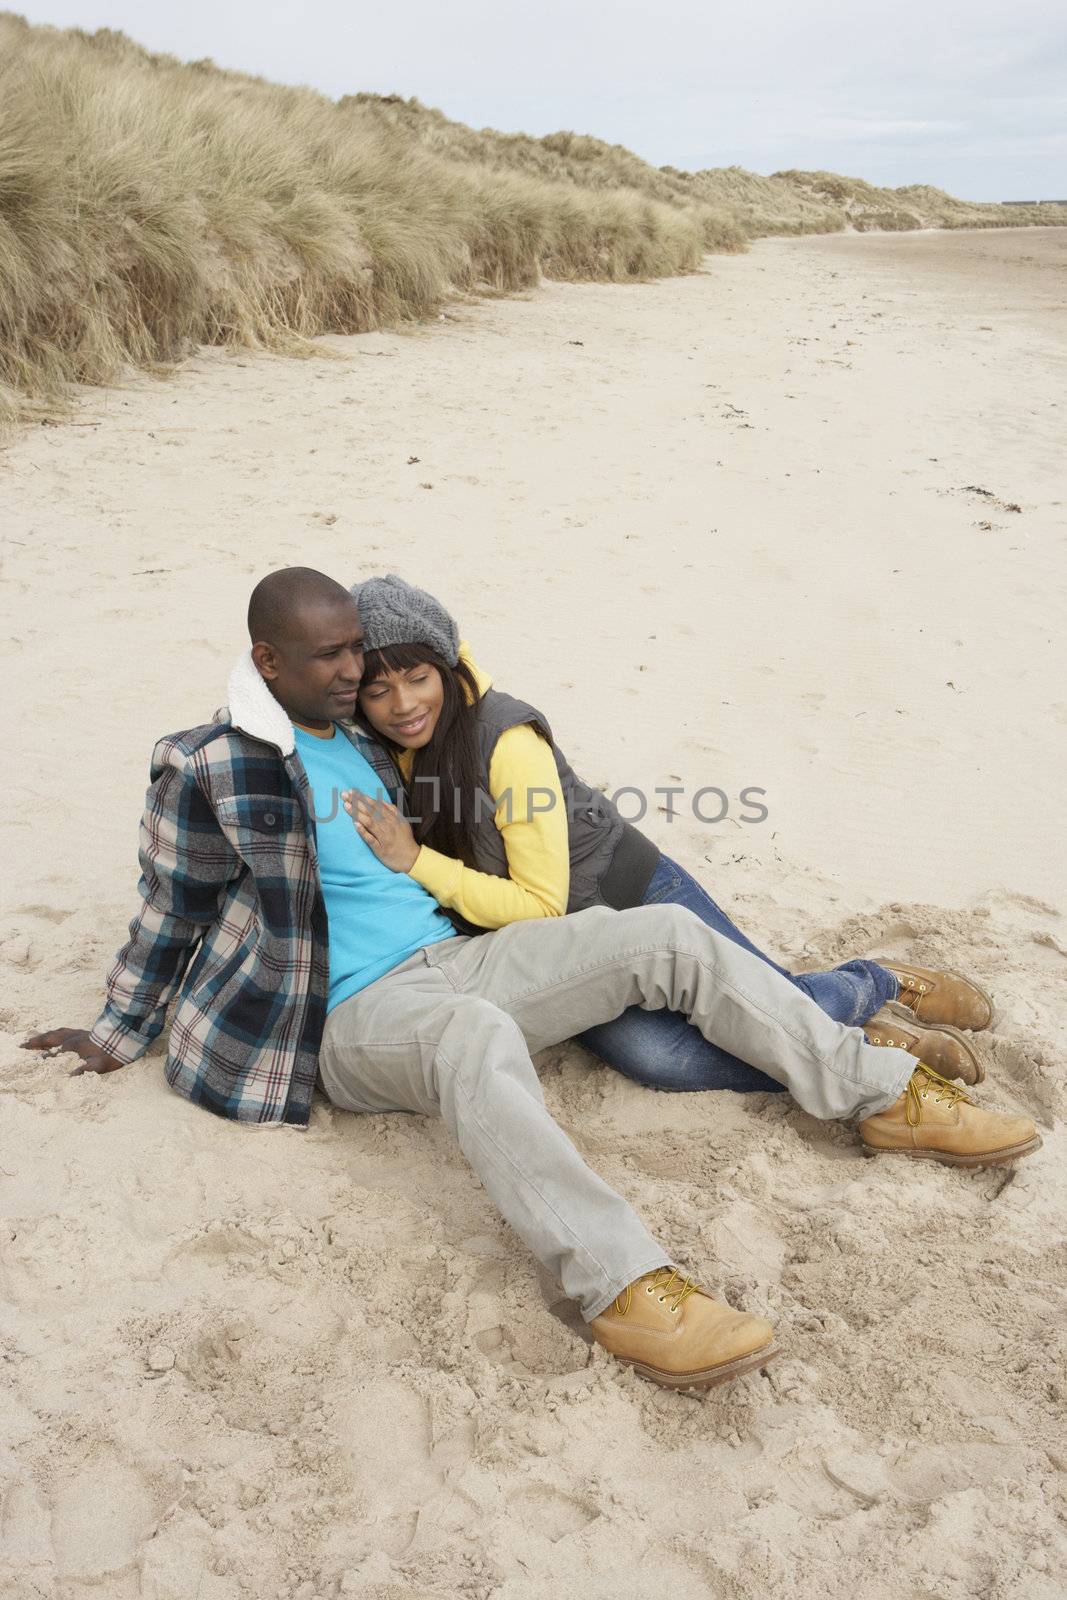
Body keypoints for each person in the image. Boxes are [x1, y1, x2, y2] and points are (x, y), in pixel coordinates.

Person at [23, 568, 1040, 1397]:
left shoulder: (369, 733)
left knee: (664, 935)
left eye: (360, 656)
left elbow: (461, 703)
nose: (357, 672)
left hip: (456, 954)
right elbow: (172, 905)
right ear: (267, 660)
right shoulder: (212, 764)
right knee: (473, 1038)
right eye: (335, 657)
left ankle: (880, 1095)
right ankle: (625, 1285)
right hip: (352, 1017)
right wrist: (118, 1025)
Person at [345, 573, 990, 1094]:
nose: (402, 705)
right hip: (559, 951)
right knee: (663, 1060)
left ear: (449, 665)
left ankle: (879, 984)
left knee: (772, 1008)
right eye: (379, 691)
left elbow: (542, 905)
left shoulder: (507, 742)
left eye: (418, 678)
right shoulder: (380, 752)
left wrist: (417, 860)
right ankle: (868, 1041)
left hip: (627, 894)